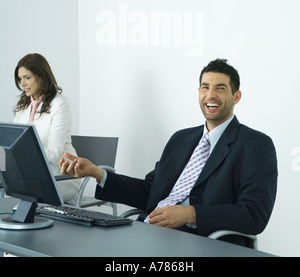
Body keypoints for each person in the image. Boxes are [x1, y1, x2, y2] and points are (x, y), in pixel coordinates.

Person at [59, 59, 277, 247]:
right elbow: (149, 192)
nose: (211, 95)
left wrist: (191, 214)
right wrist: (97, 173)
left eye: (220, 88)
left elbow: (254, 214)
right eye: (204, 87)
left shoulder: (255, 144)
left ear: (236, 96)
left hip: (202, 241)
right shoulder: (181, 139)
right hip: (150, 234)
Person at [13, 53, 80, 203]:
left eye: (27, 77)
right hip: (31, 176)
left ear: (41, 76)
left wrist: (23, 156)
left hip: (60, 176)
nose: (22, 83)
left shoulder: (59, 104)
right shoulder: (22, 107)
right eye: (20, 78)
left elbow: (54, 154)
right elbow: (13, 145)